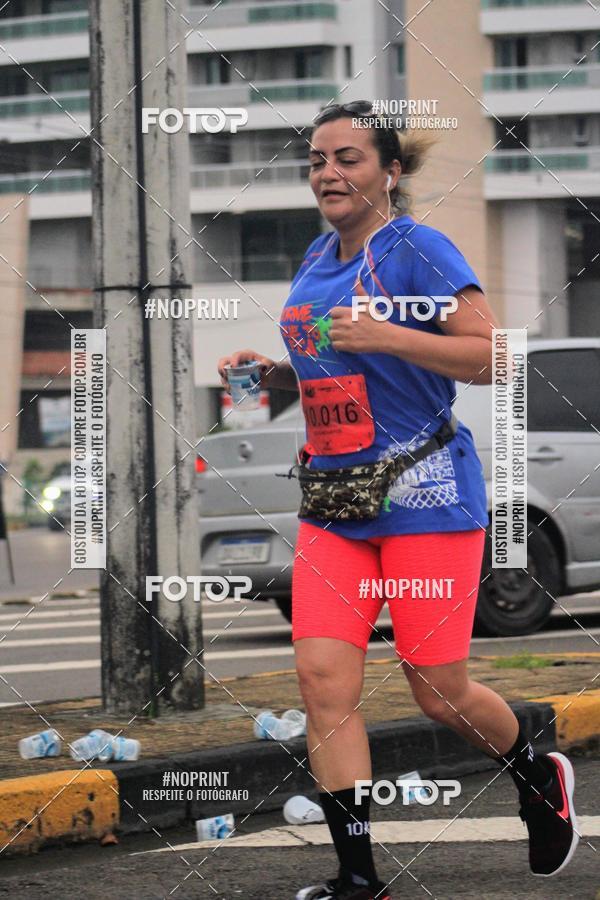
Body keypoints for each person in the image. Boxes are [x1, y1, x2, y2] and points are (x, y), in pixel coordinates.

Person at [218, 101, 579, 900]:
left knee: (434, 683)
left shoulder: (418, 249)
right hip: (335, 501)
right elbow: (335, 366)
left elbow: (492, 357)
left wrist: (391, 336)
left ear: (391, 171)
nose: (327, 174)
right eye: (316, 160)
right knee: (321, 683)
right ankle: (358, 878)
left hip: (427, 495)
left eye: (347, 158)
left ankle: (535, 774)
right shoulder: (317, 257)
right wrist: (266, 375)